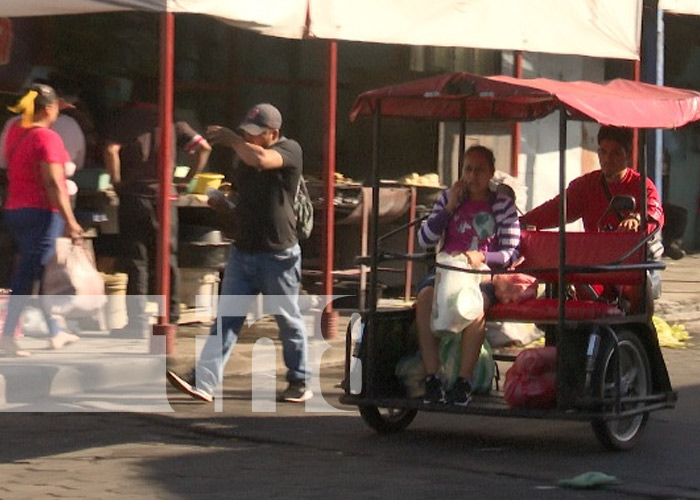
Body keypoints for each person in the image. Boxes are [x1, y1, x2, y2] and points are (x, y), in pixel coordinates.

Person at [167, 103, 311, 403]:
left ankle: (299, 380)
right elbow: (242, 195)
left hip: (278, 254)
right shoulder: (245, 157)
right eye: (246, 132)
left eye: (255, 134)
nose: (249, 138)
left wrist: (233, 140)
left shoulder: (289, 150)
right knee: (227, 320)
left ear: (274, 133)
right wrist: (225, 203)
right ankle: (204, 382)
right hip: (243, 251)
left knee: (288, 320)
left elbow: (262, 159)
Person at [103, 84, 211, 338]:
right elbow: (204, 147)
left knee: (136, 258)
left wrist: (117, 181)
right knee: (167, 257)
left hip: (135, 196)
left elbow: (110, 149)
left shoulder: (127, 119)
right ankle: (170, 315)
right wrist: (188, 180)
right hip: (166, 197)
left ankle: (137, 322)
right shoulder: (172, 120)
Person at [416, 145, 520, 405]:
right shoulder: (448, 198)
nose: (473, 176)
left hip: (480, 277)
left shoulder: (502, 205)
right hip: (447, 270)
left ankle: (463, 382)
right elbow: (424, 238)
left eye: (479, 170)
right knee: (425, 298)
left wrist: (484, 257)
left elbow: (511, 252)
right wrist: (449, 206)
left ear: (491, 174)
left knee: (474, 308)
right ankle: (433, 377)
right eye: (468, 170)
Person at [520, 126, 665, 306]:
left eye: (615, 154)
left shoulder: (642, 185)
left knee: (636, 291)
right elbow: (556, 209)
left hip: (627, 264)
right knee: (565, 286)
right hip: (593, 264)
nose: (607, 159)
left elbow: (654, 213)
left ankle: (638, 332)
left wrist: (635, 219)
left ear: (628, 155)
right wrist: (520, 222)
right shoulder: (586, 185)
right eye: (603, 152)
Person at [0, 83, 84, 356]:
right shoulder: (48, 138)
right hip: (42, 213)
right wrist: (70, 220)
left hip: (15, 209)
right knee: (29, 275)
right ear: (48, 108)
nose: (58, 113)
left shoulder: (14, 131)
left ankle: (56, 331)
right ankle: (8, 336)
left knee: (39, 272)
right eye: (57, 108)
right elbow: (54, 184)